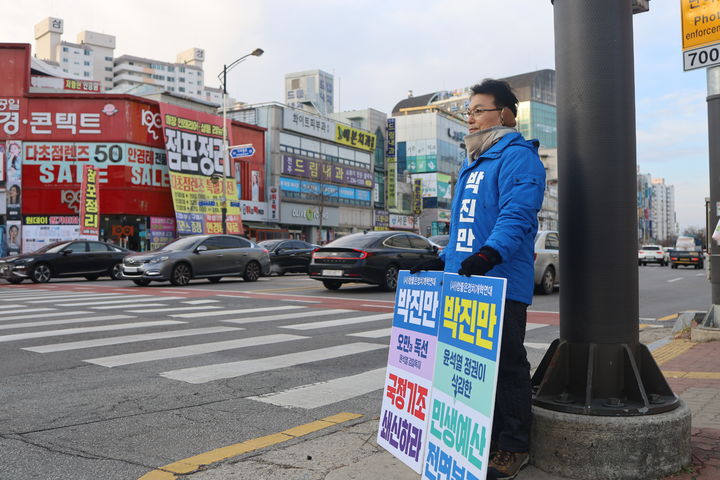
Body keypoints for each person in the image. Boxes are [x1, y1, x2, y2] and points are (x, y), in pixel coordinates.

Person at [411, 79, 546, 480]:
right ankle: (479, 437)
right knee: (468, 367)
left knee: (506, 365)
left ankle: (514, 445)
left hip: (500, 282)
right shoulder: (474, 164)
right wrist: (445, 263)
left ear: (504, 114)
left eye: (478, 111)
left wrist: (489, 255)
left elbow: (516, 216)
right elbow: (465, 229)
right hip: (466, 283)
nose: (469, 118)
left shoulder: (519, 158)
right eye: (467, 112)